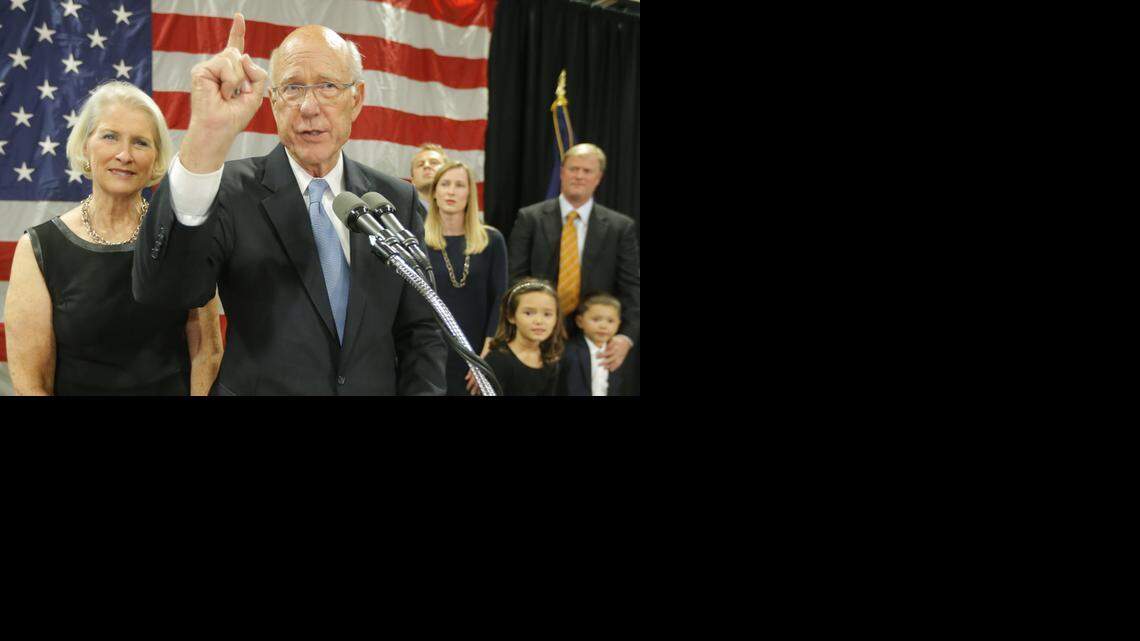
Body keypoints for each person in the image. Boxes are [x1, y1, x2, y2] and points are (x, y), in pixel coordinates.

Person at [131, 14, 446, 395]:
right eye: (293, 88)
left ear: (356, 98)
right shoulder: (230, 189)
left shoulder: (395, 200)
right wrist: (204, 139)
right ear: (273, 101)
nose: (309, 107)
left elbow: (421, 333)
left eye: (328, 86)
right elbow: (166, 292)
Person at [4, 81, 223, 395]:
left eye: (140, 143)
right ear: (85, 147)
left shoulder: (183, 237)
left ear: (156, 159)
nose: (125, 154)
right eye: (110, 137)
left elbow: (208, 351)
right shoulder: (40, 249)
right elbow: (30, 383)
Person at [508, 143, 640, 383]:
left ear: (598, 178)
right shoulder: (530, 218)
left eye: (587, 171)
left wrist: (626, 338)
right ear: (562, 172)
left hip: (595, 342)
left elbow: (632, 289)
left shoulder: (621, 228)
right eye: (573, 169)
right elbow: (515, 279)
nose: (579, 176)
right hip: (538, 335)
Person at [421, 160, 508, 395]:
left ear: (470, 193)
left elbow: (500, 299)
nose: (451, 191)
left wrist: (486, 356)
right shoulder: (417, 239)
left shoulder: (492, 240)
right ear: (435, 192)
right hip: (429, 352)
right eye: (445, 184)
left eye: (459, 185)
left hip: (476, 352)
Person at [479, 279, 565, 396]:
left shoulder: (550, 360)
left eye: (547, 314)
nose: (539, 321)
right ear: (511, 316)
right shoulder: (498, 359)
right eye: (529, 313)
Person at [559, 293, 625, 396]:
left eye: (610, 321)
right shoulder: (569, 352)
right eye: (596, 319)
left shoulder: (617, 353)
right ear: (580, 321)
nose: (603, 326)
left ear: (618, 324)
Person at [410, 143, 447, 217]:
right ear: (412, 180)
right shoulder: (401, 216)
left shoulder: (465, 218)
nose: (426, 166)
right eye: (420, 164)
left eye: (434, 162)